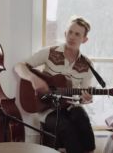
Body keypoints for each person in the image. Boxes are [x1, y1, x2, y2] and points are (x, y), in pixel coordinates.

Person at [15, 15, 95, 153]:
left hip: (71, 106)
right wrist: (33, 78)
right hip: (47, 108)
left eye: (77, 34)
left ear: (84, 39)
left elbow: (83, 94)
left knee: (82, 118)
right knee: (67, 127)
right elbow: (19, 66)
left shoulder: (88, 64)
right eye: (70, 32)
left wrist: (86, 98)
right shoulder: (49, 52)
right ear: (65, 33)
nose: (72, 37)